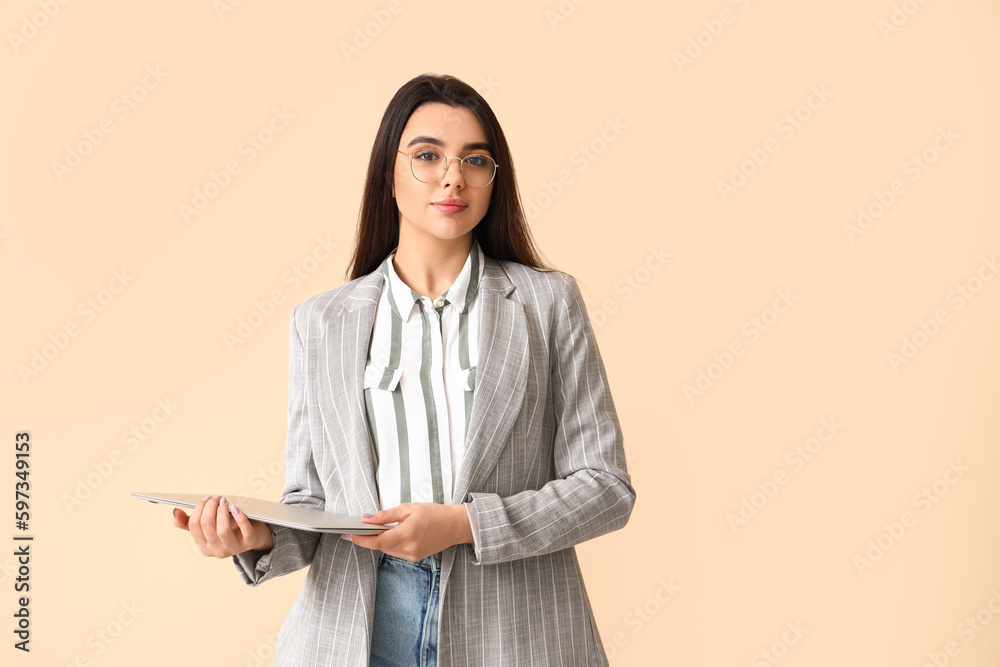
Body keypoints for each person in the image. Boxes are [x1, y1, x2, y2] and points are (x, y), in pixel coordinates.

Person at [172, 72, 636, 666]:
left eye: (475, 159)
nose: (453, 177)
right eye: (426, 156)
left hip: (513, 629)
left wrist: (464, 523)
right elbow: (312, 500)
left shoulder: (547, 304)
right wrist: (256, 537)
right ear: (387, 174)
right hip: (357, 628)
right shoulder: (322, 322)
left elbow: (606, 489)